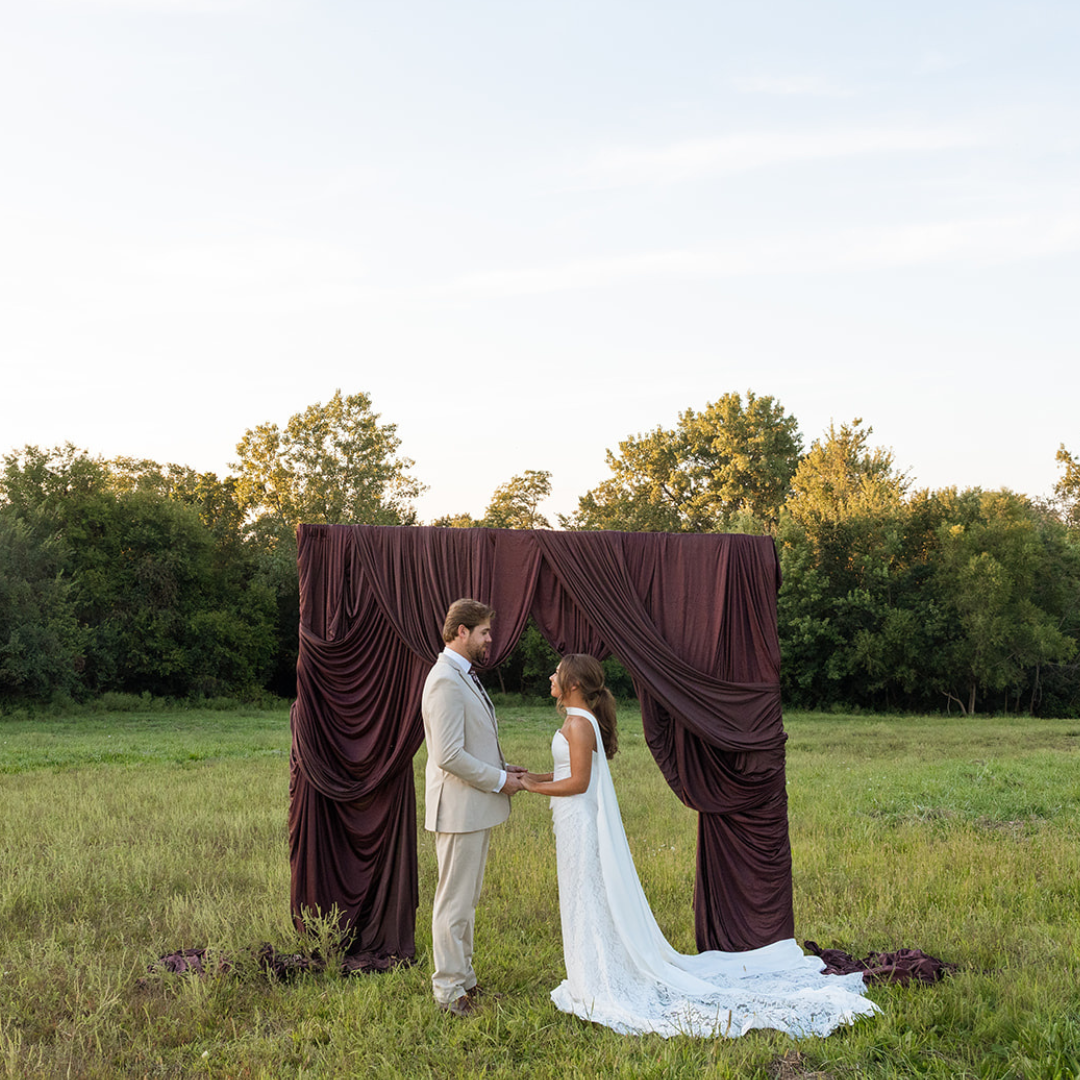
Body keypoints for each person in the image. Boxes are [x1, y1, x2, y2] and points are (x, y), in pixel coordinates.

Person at [521, 654, 879, 1038]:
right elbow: (568, 772)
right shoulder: (577, 721)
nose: (550, 677)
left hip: (580, 821)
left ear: (573, 684)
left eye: (556, 673)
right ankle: (589, 969)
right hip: (572, 819)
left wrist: (529, 786)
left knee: (588, 897)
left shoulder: (578, 724)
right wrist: (533, 775)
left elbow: (577, 783)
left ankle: (599, 976)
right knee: (581, 895)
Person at [422, 598, 527, 1017]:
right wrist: (501, 781)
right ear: (461, 632)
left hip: (473, 806)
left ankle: (464, 981)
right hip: (459, 808)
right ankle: (448, 992)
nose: (489, 639)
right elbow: (447, 754)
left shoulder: (462, 674)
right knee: (453, 902)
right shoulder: (445, 678)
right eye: (484, 632)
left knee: (467, 900)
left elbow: (471, 740)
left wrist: (502, 766)